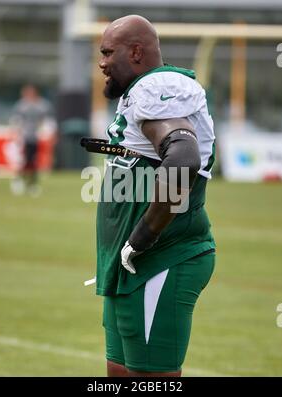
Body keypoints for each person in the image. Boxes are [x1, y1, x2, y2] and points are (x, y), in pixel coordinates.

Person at [96, 15, 216, 377]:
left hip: (161, 258)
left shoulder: (159, 87)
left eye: (107, 52)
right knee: (119, 371)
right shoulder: (139, 92)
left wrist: (143, 236)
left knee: (152, 380)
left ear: (135, 51)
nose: (101, 62)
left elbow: (182, 158)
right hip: (130, 263)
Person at [10, 84, 54, 196]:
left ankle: (32, 183)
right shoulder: (21, 105)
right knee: (22, 161)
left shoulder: (42, 105)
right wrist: (15, 134)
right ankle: (18, 180)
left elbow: (47, 121)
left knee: (33, 161)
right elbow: (16, 121)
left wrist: (47, 133)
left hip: (35, 137)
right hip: (23, 137)